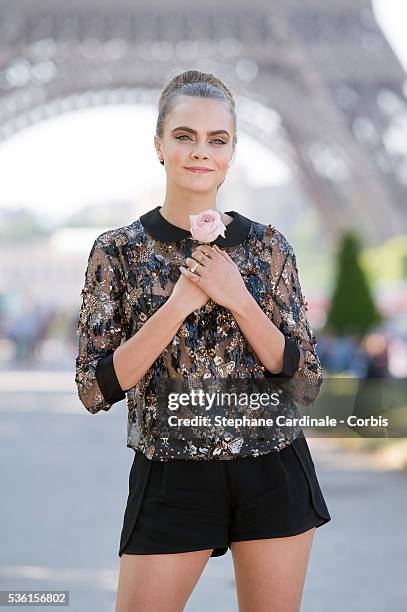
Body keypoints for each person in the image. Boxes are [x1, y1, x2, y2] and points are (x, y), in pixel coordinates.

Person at [75, 69, 331, 612]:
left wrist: (238, 297)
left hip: (271, 466)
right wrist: (177, 306)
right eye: (185, 136)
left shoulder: (268, 246)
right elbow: (94, 389)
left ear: (232, 152)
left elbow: (306, 382)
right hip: (171, 474)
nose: (200, 151)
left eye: (217, 140)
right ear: (160, 146)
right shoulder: (117, 251)